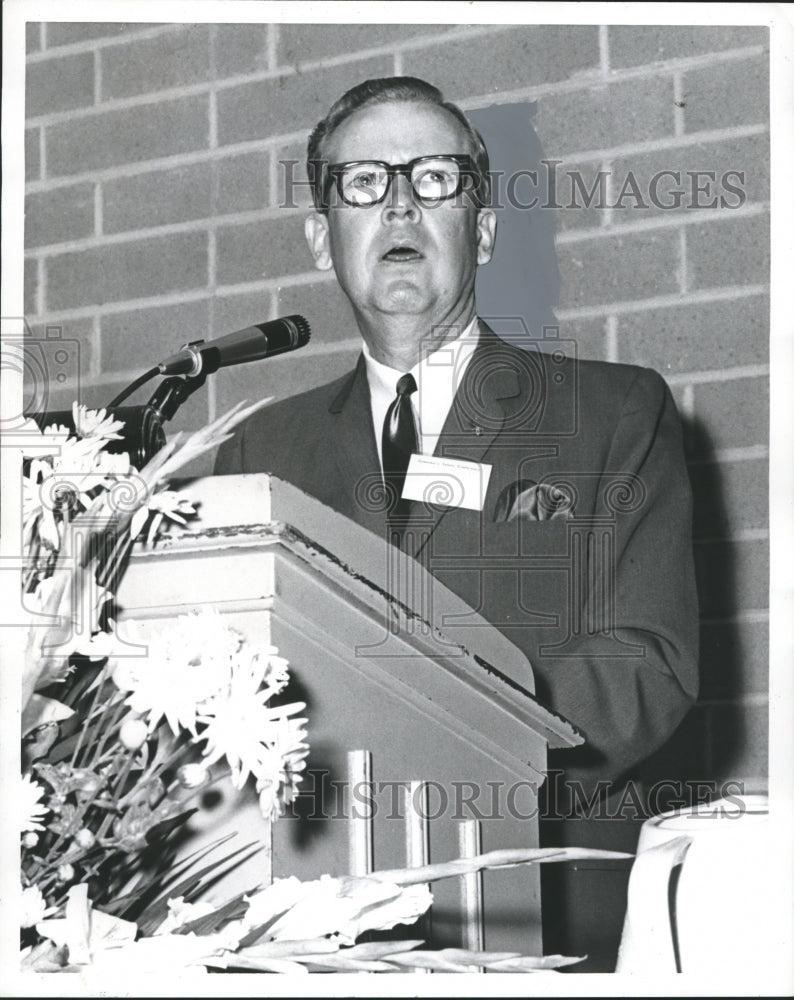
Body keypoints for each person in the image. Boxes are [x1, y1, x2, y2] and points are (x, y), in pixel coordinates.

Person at [215, 75, 698, 806]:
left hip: (533, 876)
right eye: (365, 181)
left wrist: (452, 763)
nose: (401, 204)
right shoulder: (261, 452)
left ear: (483, 230)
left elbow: (648, 663)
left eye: (436, 179)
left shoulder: (615, 413)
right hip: (321, 879)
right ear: (322, 240)